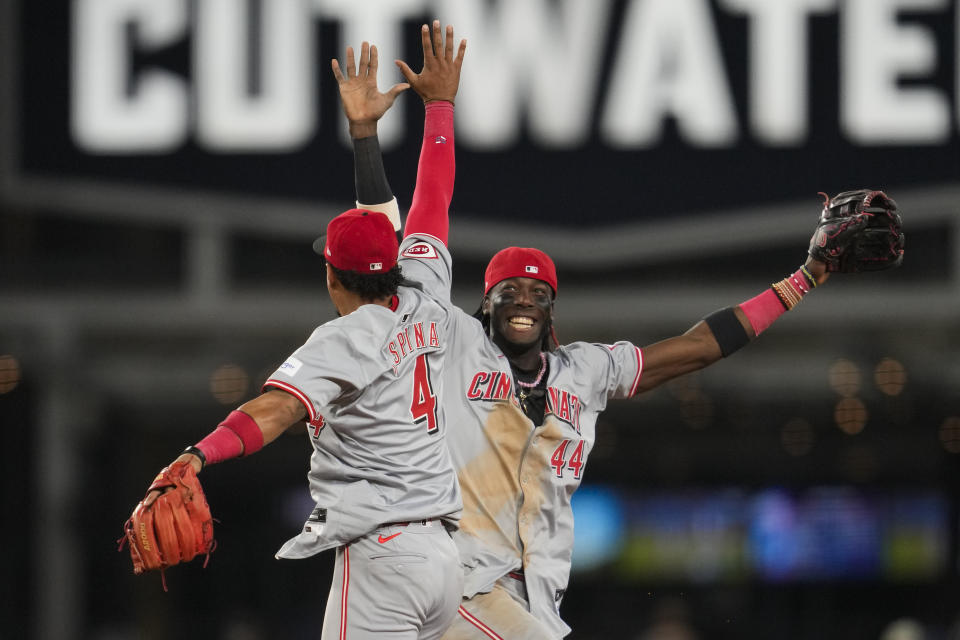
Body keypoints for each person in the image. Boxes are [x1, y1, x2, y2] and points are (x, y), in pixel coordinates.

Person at [347, 21, 898, 639]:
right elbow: (422, 220)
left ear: (552, 310)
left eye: (537, 292)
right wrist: (421, 117)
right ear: (487, 304)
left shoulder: (585, 372)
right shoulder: (453, 345)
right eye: (509, 292)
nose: (523, 301)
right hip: (457, 588)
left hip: (531, 601)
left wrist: (805, 278)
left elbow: (696, 348)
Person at [128, 28, 468, 639]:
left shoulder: (343, 339)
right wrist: (435, 109)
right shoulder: (427, 291)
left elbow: (277, 409)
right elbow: (431, 198)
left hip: (384, 557)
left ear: (333, 277)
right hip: (444, 558)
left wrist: (197, 454)